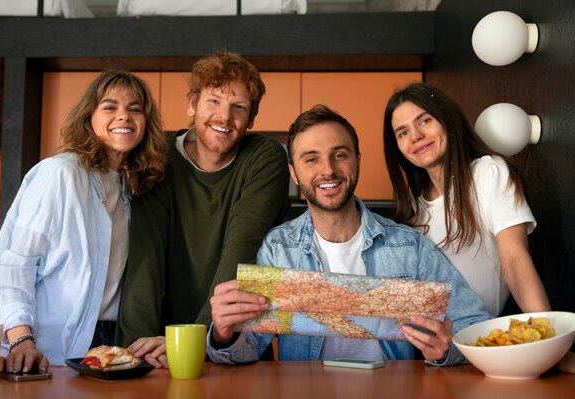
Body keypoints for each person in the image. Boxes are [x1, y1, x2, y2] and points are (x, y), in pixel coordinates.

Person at [207, 104, 490, 366]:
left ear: (357, 160)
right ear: (294, 173)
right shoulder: (277, 249)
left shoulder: (409, 246)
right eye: (311, 159)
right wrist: (224, 334)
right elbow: (250, 347)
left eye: (339, 155)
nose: (328, 170)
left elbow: (475, 325)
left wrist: (447, 349)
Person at [0, 70, 169, 372]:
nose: (124, 117)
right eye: (110, 107)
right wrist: (22, 340)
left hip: (108, 341)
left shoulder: (129, 190)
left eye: (135, 109)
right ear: (88, 116)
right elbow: (14, 269)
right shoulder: (59, 175)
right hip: (41, 346)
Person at [115, 52, 291, 367]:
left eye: (238, 107)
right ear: (192, 104)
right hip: (161, 350)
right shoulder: (159, 160)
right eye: (213, 102)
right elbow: (146, 258)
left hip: (234, 344)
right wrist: (135, 352)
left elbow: (241, 248)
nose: (224, 117)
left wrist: (192, 340)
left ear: (250, 120)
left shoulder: (265, 158)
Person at [382, 82, 550, 317]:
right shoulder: (413, 204)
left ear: (446, 119)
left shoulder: (489, 172)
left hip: (478, 337)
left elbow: (514, 259)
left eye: (424, 121)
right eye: (403, 132)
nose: (416, 136)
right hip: (429, 346)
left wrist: (546, 333)